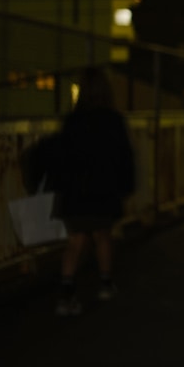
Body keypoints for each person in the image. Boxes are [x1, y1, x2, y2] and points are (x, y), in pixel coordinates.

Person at [52, 66, 136, 316]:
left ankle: (67, 293)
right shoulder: (113, 120)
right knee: (103, 235)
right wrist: (125, 188)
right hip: (104, 189)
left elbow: (62, 158)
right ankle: (105, 283)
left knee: (76, 239)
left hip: (75, 191)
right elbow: (124, 158)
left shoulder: (72, 121)